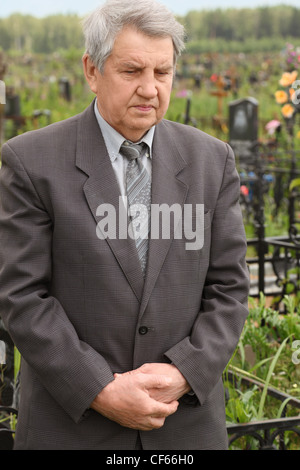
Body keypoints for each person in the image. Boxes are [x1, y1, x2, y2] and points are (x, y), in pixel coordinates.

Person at [0, 0, 249, 450]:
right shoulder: (31, 162)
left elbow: (229, 287)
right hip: (72, 430)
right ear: (92, 71)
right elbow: (21, 295)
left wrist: (184, 372)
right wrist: (100, 388)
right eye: (132, 71)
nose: (150, 89)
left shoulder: (213, 161)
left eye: (163, 72)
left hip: (183, 429)